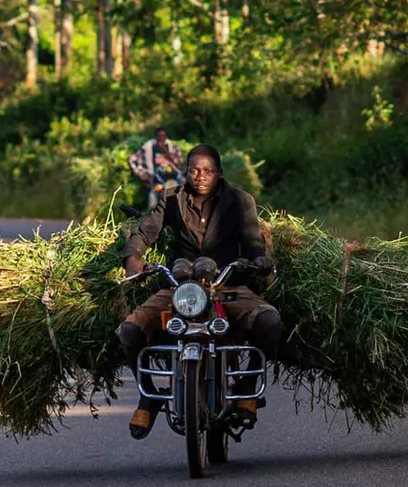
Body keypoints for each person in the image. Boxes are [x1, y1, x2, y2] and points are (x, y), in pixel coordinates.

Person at [114, 143, 282, 439]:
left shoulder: (240, 200)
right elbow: (144, 233)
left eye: (207, 171)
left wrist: (260, 261)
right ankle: (149, 396)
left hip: (227, 285)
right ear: (186, 172)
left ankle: (245, 389)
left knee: (270, 322)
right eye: (194, 170)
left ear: (219, 172)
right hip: (181, 288)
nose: (200, 176)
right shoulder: (171, 199)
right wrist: (133, 262)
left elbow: (253, 241)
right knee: (129, 331)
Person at [126, 128, 186, 211]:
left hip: (173, 180)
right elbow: (132, 159)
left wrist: (167, 153)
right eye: (159, 136)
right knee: (153, 201)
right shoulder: (148, 148)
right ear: (155, 137)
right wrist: (142, 174)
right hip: (156, 181)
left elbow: (180, 166)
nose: (161, 138)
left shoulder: (172, 147)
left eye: (163, 136)